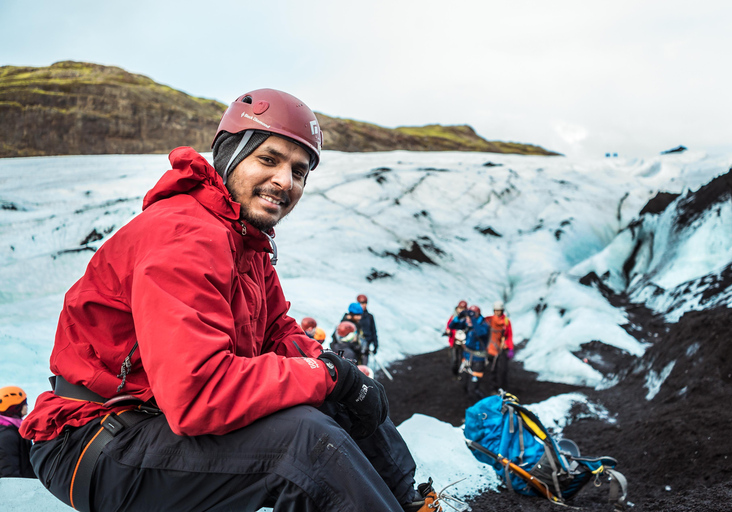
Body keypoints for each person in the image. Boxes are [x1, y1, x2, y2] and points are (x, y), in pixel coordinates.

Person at [20, 88, 441, 512]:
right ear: (231, 156)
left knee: (342, 403)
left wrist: (342, 378)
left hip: (147, 423)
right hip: (91, 442)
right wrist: (329, 376)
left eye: (299, 171)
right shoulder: (186, 235)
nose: (285, 181)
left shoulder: (246, 245)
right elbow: (198, 394)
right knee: (303, 446)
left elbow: (280, 335)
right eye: (269, 159)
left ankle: (410, 503)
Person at [449, 305, 490, 400]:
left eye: (469, 317)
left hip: (478, 361)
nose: (467, 320)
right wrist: (459, 316)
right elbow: (452, 326)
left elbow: (480, 333)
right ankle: (471, 405)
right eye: (467, 317)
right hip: (467, 359)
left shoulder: (483, 325)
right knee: (464, 385)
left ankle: (482, 407)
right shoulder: (468, 324)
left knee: (473, 389)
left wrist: (472, 319)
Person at [0, 386, 35, 478]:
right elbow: (9, 472)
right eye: (24, 403)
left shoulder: (14, 429)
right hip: (16, 489)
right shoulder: (7, 435)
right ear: (15, 406)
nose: (27, 406)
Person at [485, 301, 514, 391]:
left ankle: (503, 388)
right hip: (491, 348)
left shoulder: (506, 322)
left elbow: (509, 335)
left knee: (502, 370)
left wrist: (510, 348)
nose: (497, 312)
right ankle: (493, 388)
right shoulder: (489, 320)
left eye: (499, 310)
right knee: (492, 369)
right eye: (496, 311)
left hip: (502, 348)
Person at [445, 300, 468, 375]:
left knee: (463, 359)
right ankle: (455, 373)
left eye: (463, 308)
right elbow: (448, 326)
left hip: (464, 342)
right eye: (460, 308)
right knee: (454, 359)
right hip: (455, 341)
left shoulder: (468, 318)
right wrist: (448, 331)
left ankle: (462, 373)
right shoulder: (453, 317)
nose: (461, 310)